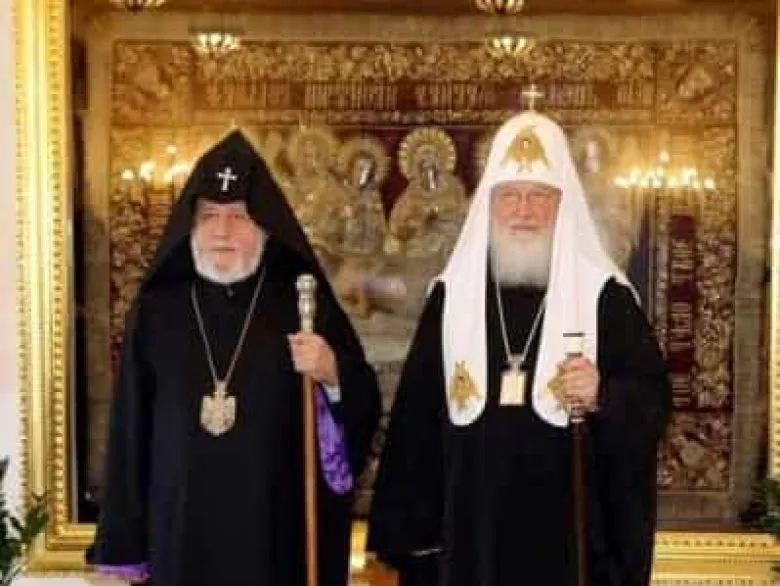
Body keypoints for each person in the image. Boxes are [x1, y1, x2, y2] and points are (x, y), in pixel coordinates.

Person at [367, 112, 672, 586]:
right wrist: (412, 535)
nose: (523, 211)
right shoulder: (452, 296)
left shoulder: (604, 297)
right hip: (470, 534)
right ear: (489, 204)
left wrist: (603, 394)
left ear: (562, 204)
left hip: (566, 537)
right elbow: (416, 420)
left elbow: (652, 399)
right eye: (509, 196)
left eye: (539, 197)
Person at [87, 130, 381, 586]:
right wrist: (122, 546)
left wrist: (332, 373)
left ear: (264, 225)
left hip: (272, 532)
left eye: (238, 216)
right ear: (191, 225)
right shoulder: (158, 310)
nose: (222, 230)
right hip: (180, 532)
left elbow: (362, 408)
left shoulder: (300, 303)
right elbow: (129, 431)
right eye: (209, 216)